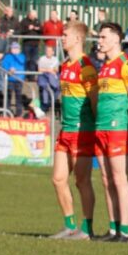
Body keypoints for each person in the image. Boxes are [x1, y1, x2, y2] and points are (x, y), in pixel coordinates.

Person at [48, 21, 98, 240]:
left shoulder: (86, 66)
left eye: (66, 35)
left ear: (78, 38)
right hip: (66, 130)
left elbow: (95, 101)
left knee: (81, 180)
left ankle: (86, 229)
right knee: (58, 179)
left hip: (82, 130)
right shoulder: (65, 65)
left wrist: (96, 129)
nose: (62, 38)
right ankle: (69, 226)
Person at [94, 22, 128, 242]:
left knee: (120, 178)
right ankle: (113, 229)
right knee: (106, 178)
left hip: (117, 128)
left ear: (115, 39)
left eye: (103, 37)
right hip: (101, 127)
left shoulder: (126, 63)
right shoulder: (104, 66)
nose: (99, 41)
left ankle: (125, 230)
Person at [1, 42, 26, 116]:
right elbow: (4, 65)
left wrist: (15, 55)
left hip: (19, 79)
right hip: (10, 79)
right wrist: (9, 69)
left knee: (18, 97)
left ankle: (19, 113)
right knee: (8, 97)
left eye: (16, 48)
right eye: (13, 48)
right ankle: (7, 111)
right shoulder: (7, 57)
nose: (15, 50)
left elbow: (21, 63)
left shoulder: (22, 56)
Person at [36, 45, 60, 113]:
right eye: (47, 51)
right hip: (43, 78)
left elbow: (56, 70)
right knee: (45, 89)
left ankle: (49, 103)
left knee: (57, 89)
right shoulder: (42, 59)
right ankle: (45, 106)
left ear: (53, 52)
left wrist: (50, 70)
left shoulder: (55, 59)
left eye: (50, 51)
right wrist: (48, 70)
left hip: (53, 78)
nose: (48, 52)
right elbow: (39, 70)